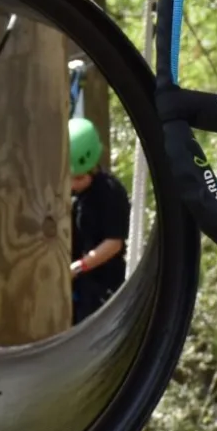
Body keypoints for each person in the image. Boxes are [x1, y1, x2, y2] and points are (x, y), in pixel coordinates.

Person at [68, 116, 129, 322]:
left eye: (78, 178)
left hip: (103, 290)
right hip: (78, 291)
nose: (72, 185)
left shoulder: (110, 192)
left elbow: (114, 243)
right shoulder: (67, 196)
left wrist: (80, 266)